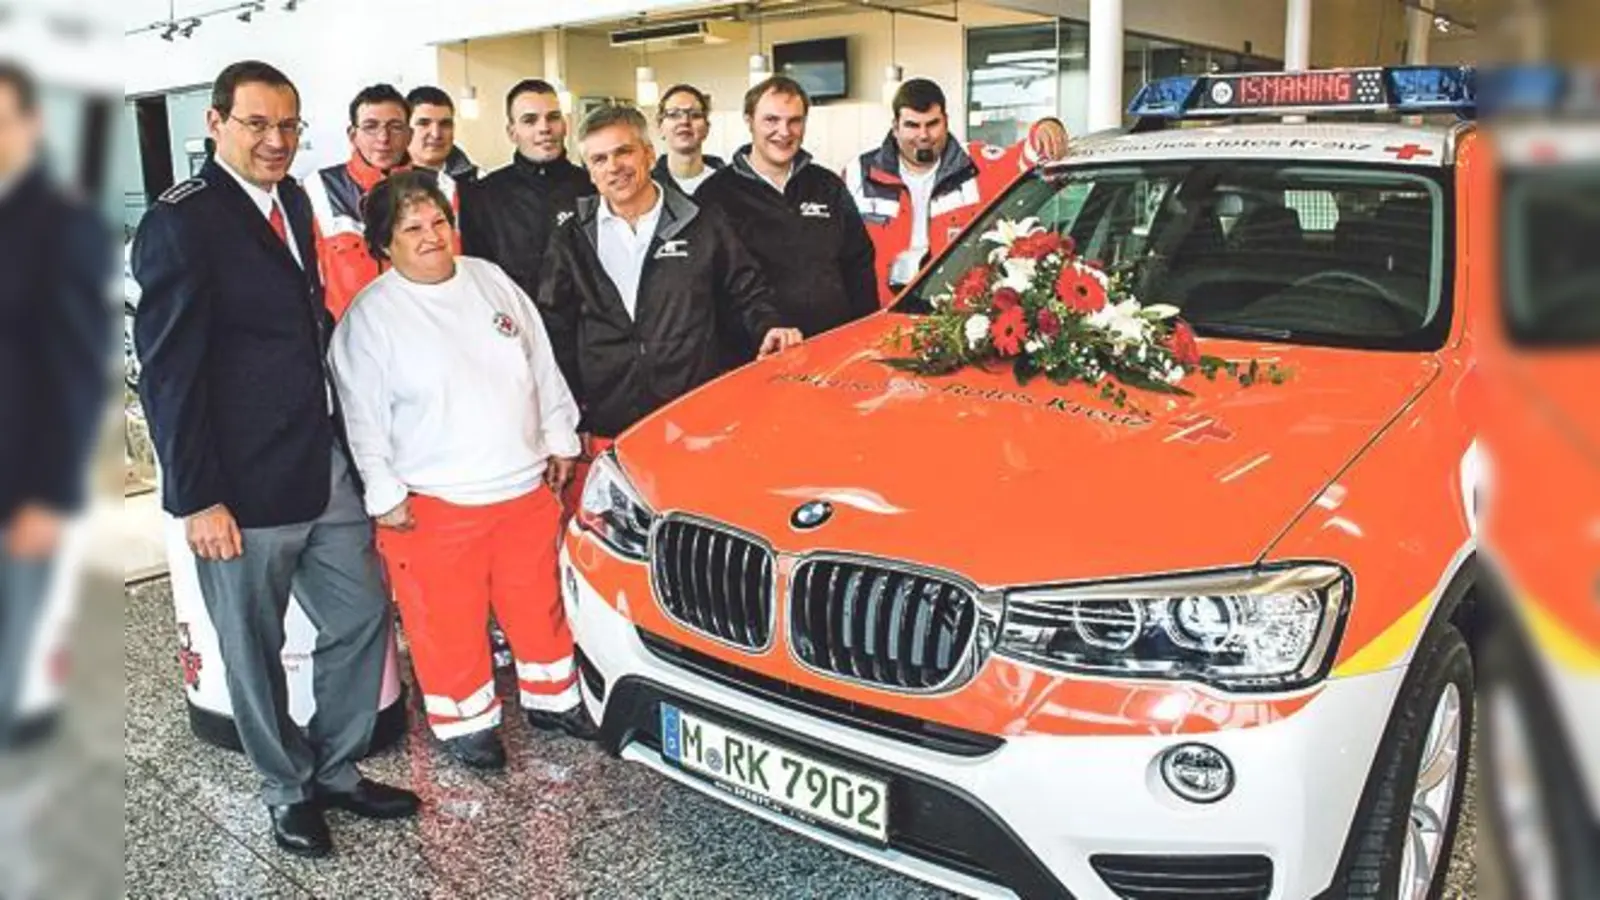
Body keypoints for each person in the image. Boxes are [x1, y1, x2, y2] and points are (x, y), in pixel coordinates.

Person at [131, 60, 419, 859]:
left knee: (362, 615)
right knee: (251, 649)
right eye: (257, 123)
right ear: (216, 124)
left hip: (317, 461)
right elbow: (169, 374)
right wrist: (197, 498)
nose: (275, 140)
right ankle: (285, 790)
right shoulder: (182, 221)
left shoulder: (292, 198)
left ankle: (332, 766)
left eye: (288, 125)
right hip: (239, 483)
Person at [330, 172, 591, 768]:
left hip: (523, 487)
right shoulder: (371, 317)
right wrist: (384, 493)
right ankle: (465, 723)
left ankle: (553, 698)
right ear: (385, 245)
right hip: (434, 502)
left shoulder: (489, 279)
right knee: (447, 621)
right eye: (412, 228)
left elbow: (541, 362)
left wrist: (559, 437)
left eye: (439, 222)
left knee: (540, 602)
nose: (431, 236)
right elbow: (361, 417)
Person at [536, 105, 801, 504]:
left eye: (623, 152)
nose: (614, 167)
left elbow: (746, 288)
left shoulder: (701, 221)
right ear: (588, 170)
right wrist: (573, 416)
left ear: (648, 154)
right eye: (599, 159)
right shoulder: (571, 236)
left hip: (691, 418)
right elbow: (555, 329)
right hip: (609, 422)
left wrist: (770, 326)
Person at [0, 62, 113, 748]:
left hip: (23, 467)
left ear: (33, 126)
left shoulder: (63, 224)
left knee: (17, 612)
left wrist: (51, 493)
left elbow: (77, 369)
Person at [844, 77, 1071, 305]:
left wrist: (1047, 127)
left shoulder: (978, 164)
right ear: (895, 127)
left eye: (932, 124)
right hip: (879, 316)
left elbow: (1029, 157)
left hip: (954, 318)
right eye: (912, 126)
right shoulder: (858, 174)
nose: (923, 135)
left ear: (946, 121)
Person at [696, 76, 876, 347]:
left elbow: (859, 265)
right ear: (748, 120)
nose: (784, 131)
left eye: (795, 121)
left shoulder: (828, 186)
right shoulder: (714, 196)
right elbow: (705, 287)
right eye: (771, 120)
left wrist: (867, 336)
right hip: (752, 358)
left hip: (833, 350)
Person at [306, 83, 458, 321]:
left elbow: (453, 267)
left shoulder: (442, 187)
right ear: (352, 135)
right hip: (351, 337)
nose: (383, 138)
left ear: (408, 134)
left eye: (395, 127)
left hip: (425, 328)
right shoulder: (318, 188)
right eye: (370, 127)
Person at [459, 79, 593, 305]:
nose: (544, 128)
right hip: (513, 326)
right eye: (530, 121)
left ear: (565, 125)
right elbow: (477, 276)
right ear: (512, 132)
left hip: (585, 330)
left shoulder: (592, 186)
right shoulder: (482, 197)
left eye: (553, 117)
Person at [650, 83, 724, 198]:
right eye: (674, 115)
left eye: (695, 115)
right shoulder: (647, 187)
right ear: (660, 128)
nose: (684, 121)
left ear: (707, 129)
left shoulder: (731, 186)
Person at [406, 85, 480, 184]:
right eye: (424, 123)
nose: (436, 134)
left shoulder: (480, 181)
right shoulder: (383, 181)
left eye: (445, 124)